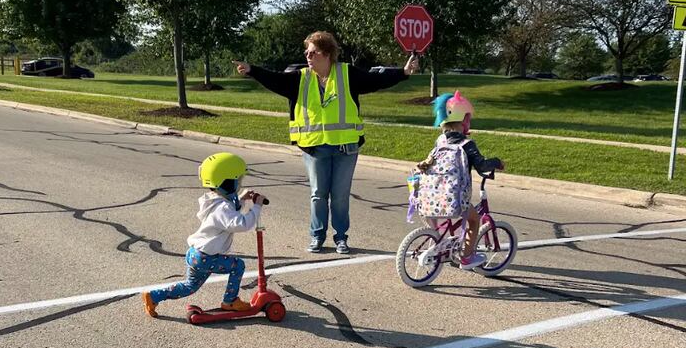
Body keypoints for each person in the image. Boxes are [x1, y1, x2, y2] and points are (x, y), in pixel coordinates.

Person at [233, 31, 418, 254]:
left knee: (340, 196)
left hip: (346, 147)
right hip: (315, 147)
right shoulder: (300, 78)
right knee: (319, 194)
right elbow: (275, 79)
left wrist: (404, 72)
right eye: (307, 52)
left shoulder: (347, 74)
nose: (308, 56)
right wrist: (252, 70)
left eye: (313, 52)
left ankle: (341, 237)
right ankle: (317, 236)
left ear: (328, 54)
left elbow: (375, 80)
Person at [142, 152, 266, 318]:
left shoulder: (215, 201)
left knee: (189, 286)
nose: (239, 185)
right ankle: (230, 301)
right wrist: (256, 206)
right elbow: (241, 224)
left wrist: (243, 199)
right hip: (208, 258)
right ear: (228, 182)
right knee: (238, 265)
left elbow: (231, 212)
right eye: (238, 181)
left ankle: (154, 296)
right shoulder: (222, 208)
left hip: (196, 254)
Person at [415, 91, 504, 269]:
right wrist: (498, 163)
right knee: (474, 220)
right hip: (454, 199)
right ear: (464, 121)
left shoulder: (440, 141)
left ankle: (441, 243)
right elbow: (482, 166)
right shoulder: (466, 144)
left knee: (446, 218)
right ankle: (466, 257)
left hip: (431, 195)